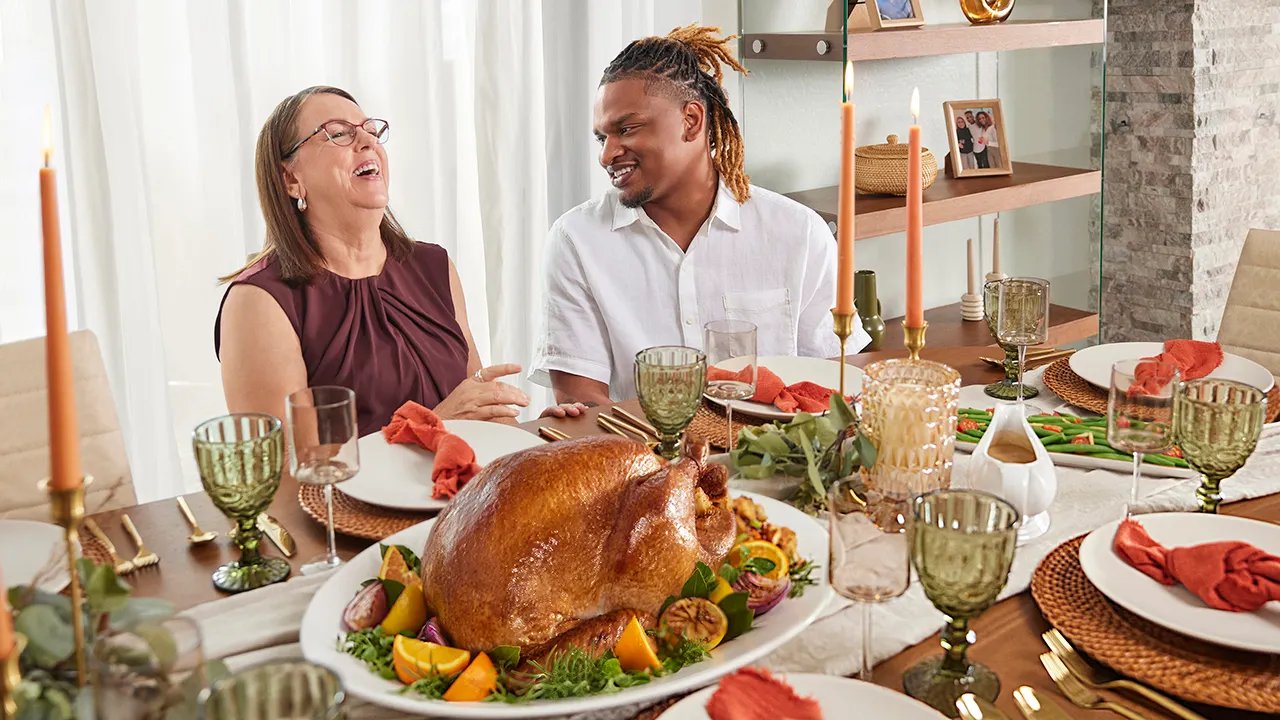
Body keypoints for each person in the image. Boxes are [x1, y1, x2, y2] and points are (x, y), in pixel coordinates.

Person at [216, 86, 584, 436]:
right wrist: (431, 426)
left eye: (371, 130)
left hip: (469, 498)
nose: (368, 142)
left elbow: (477, 412)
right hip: (349, 506)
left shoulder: (434, 266)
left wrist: (530, 438)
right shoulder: (259, 301)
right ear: (290, 178)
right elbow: (288, 475)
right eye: (339, 133)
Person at [531, 25, 870, 405]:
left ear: (691, 120)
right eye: (601, 137)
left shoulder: (799, 233)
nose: (606, 155)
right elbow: (584, 405)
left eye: (626, 129)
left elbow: (832, 385)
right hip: (643, 459)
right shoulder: (577, 240)